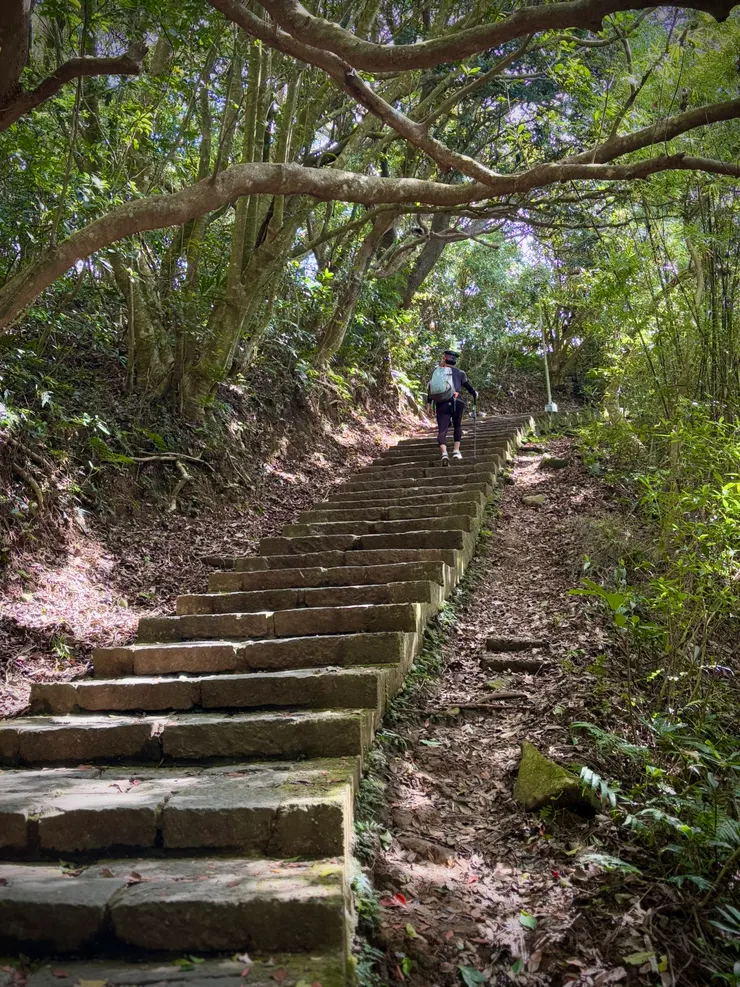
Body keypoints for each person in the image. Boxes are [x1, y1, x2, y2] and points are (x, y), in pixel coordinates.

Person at [426, 349, 477, 466]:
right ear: (455, 361)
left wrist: (429, 403)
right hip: (457, 402)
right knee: (457, 425)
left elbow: (431, 388)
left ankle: (444, 453)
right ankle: (456, 451)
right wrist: (475, 394)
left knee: (442, 429)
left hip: (442, 403)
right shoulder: (460, 373)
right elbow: (469, 388)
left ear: (444, 359)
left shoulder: (437, 371)